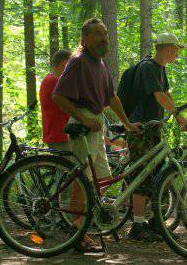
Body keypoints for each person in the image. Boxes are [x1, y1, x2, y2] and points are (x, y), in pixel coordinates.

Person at [52, 18, 142, 252]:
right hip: (84, 122)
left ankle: (84, 223)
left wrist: (128, 123)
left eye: (106, 34)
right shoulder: (78, 62)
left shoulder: (99, 64)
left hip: (96, 123)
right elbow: (58, 96)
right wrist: (83, 119)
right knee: (82, 179)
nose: (104, 38)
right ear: (85, 39)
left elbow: (111, 97)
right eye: (99, 34)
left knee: (100, 178)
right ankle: (77, 231)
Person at [125, 33, 187, 242]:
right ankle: (137, 226)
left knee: (157, 173)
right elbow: (158, 95)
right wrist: (179, 118)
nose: (177, 53)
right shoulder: (148, 67)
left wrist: (180, 118)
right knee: (141, 174)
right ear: (166, 48)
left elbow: (166, 93)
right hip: (140, 129)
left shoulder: (160, 69)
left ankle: (156, 222)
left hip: (153, 128)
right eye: (176, 49)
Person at [39, 49, 72, 151]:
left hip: (58, 135)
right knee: (71, 166)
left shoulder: (50, 79)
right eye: (71, 63)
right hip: (60, 135)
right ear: (64, 63)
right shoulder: (53, 81)